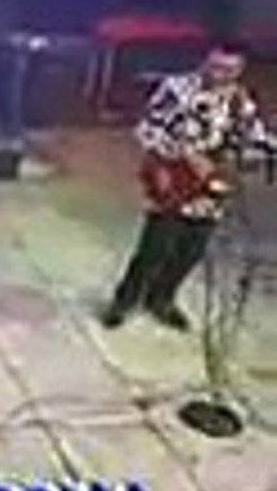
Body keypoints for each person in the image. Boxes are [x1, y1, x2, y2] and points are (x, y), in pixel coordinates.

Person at [102, 41, 270, 331]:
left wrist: (260, 150)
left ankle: (162, 299)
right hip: (173, 179)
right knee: (154, 249)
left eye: (228, 70)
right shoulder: (177, 90)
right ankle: (124, 301)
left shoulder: (240, 101)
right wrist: (185, 154)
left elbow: (254, 136)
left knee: (190, 251)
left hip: (210, 187)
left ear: (240, 70)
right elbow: (146, 129)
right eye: (215, 66)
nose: (218, 74)